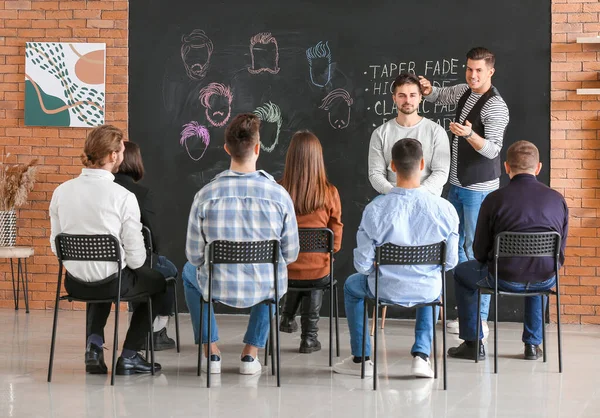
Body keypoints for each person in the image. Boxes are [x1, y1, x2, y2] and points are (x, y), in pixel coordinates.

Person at [333, 138, 459, 378]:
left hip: (385, 289)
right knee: (432, 282)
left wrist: (380, 273)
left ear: (392, 166)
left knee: (351, 286)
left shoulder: (376, 209)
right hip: (427, 289)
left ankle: (361, 359)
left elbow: (361, 265)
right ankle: (421, 357)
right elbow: (450, 262)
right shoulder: (445, 209)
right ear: (422, 164)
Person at [184, 113, 299, 375]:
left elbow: (194, 256)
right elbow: (290, 254)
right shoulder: (279, 196)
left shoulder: (205, 195)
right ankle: (251, 354)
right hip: (263, 286)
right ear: (258, 148)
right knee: (274, 271)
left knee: (189, 272)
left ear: (226, 149)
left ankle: (211, 351)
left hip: (218, 285)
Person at [49, 125, 166, 376]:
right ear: (113, 156)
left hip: (75, 283)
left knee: (99, 275)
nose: (123, 155)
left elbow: (55, 245)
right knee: (157, 283)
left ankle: (93, 347)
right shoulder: (123, 197)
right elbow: (136, 259)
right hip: (113, 283)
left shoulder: (61, 192)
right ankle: (130, 355)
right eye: (122, 150)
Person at [448, 141, 568, 361]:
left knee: (462, 272)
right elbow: (559, 251)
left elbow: (479, 252)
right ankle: (532, 346)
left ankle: (473, 343)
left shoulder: (494, 199)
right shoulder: (557, 200)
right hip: (544, 278)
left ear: (506, 167)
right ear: (538, 167)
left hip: (502, 278)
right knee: (541, 270)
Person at [419, 47, 510, 336]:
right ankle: (465, 314)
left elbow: (494, 150)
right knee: (454, 248)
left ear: (491, 71)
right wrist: (428, 89)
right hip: (456, 185)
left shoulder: (495, 106)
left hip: (478, 190)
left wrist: (469, 134)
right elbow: (438, 95)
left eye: (479, 70)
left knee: (475, 251)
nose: (472, 75)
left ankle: (479, 319)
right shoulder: (463, 91)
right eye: (469, 69)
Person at [277, 131, 343, 353]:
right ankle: (309, 338)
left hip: (284, 271)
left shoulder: (278, 191)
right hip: (316, 271)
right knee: (315, 272)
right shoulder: (329, 193)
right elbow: (335, 242)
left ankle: (287, 316)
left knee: (297, 268)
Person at [114, 141, 178, 351]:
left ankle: (93, 345)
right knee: (168, 271)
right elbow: (154, 238)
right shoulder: (140, 193)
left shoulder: (104, 190)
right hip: (136, 261)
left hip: (102, 266)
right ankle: (157, 331)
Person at [368, 73, 450, 197]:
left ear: (420, 97)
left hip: (427, 198)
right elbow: (375, 174)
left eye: (412, 95)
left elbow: (441, 172)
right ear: (394, 98)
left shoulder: (436, 132)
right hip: (391, 197)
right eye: (402, 96)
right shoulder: (380, 133)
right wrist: (396, 193)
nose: (407, 100)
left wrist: (418, 193)